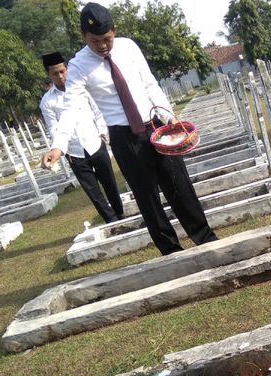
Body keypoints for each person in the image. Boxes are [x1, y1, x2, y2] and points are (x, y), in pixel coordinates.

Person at [41, 2, 217, 255]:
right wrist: (59, 146)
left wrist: (169, 117)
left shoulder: (128, 47)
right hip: (124, 138)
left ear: (114, 30)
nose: (102, 45)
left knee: (180, 185)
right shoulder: (79, 66)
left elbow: (150, 84)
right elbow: (71, 108)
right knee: (147, 198)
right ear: (83, 36)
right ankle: (171, 251)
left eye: (107, 39)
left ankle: (205, 238)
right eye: (95, 41)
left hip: (156, 126)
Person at [40, 51, 124, 224]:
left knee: (110, 183)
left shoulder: (82, 89)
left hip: (95, 142)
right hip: (74, 151)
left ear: (67, 68)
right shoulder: (47, 102)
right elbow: (53, 128)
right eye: (55, 73)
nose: (61, 76)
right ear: (48, 74)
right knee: (93, 191)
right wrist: (61, 149)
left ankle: (120, 213)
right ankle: (111, 220)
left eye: (63, 71)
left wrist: (102, 133)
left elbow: (98, 111)